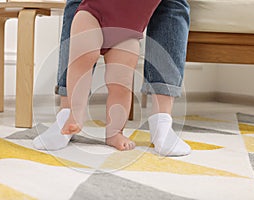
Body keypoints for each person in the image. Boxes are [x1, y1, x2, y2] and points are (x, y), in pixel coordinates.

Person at [33, 0, 191, 156]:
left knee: (121, 84)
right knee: (82, 60)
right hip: (93, 13)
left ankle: (115, 132)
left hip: (129, 30)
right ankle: (72, 114)